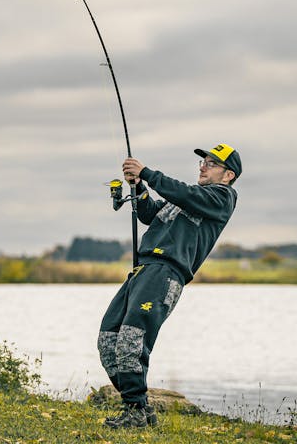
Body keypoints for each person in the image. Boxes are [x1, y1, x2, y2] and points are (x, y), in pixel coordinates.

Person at [97, 142, 241, 429]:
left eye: (211, 163)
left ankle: (135, 413)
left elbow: (184, 193)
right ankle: (141, 408)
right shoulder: (187, 199)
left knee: (132, 339)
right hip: (143, 270)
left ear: (228, 176)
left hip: (166, 273)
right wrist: (138, 186)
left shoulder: (221, 198)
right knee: (108, 340)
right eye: (203, 162)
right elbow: (149, 214)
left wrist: (147, 172)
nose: (203, 166)